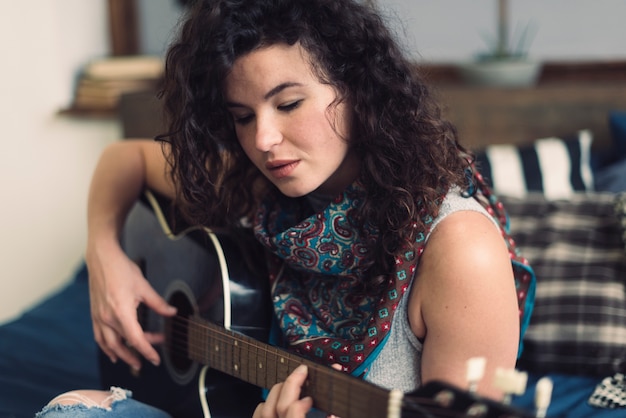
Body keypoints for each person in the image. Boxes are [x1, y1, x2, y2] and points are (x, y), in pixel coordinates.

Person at [36, 0, 535, 417]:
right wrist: (105, 257)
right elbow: (122, 157)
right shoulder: (257, 189)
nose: (264, 141)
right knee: (74, 407)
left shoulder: (459, 250)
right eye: (242, 117)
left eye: (289, 103)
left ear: (359, 90)